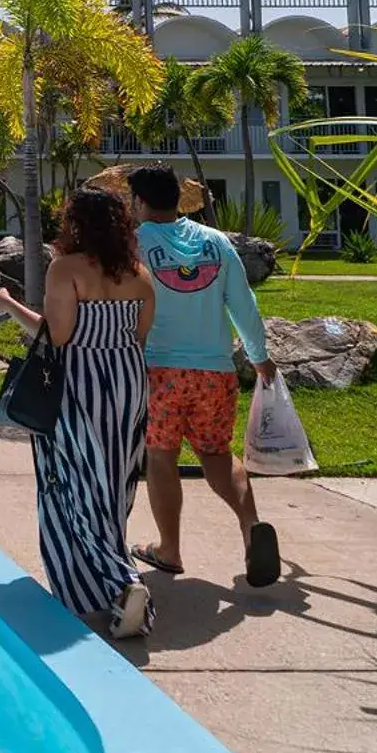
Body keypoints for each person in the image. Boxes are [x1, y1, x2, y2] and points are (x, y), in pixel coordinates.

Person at [0, 188, 158, 639]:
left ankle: (123, 582)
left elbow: (57, 336)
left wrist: (7, 305)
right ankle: (107, 587)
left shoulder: (67, 269)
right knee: (113, 482)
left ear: (75, 223)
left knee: (72, 484)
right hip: (127, 382)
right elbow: (138, 336)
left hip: (79, 383)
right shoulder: (139, 274)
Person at [123, 164, 282, 588]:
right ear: (178, 199)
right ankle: (251, 527)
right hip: (214, 370)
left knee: (161, 456)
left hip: (159, 370)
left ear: (139, 201)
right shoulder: (215, 241)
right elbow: (242, 303)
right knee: (215, 453)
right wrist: (259, 356)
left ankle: (169, 550)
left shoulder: (134, 243)